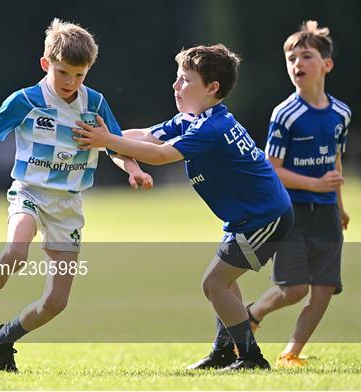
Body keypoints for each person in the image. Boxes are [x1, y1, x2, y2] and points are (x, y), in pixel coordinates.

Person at [0, 18, 153, 373]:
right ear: (46, 64)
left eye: (80, 75)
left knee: (56, 302)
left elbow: (116, 146)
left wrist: (134, 169)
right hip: (29, 192)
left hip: (68, 204)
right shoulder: (25, 100)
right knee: (16, 251)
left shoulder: (95, 104)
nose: (71, 83)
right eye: (63, 73)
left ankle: (4, 338)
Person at [72, 44, 293, 371]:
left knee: (214, 284)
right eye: (177, 79)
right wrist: (100, 134)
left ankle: (251, 357)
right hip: (247, 218)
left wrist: (106, 140)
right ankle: (224, 352)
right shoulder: (192, 119)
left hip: (265, 219)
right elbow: (147, 137)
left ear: (212, 87)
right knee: (226, 283)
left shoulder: (210, 129)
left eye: (185, 80)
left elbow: (160, 156)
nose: (175, 86)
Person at [245, 20, 351, 368]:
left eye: (306, 56)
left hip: (326, 214)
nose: (297, 64)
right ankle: (253, 314)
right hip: (292, 211)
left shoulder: (341, 113)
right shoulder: (286, 114)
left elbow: (334, 160)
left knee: (323, 290)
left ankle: (291, 353)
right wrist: (315, 185)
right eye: (291, 57)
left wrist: (339, 205)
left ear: (326, 65)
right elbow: (271, 168)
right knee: (294, 289)